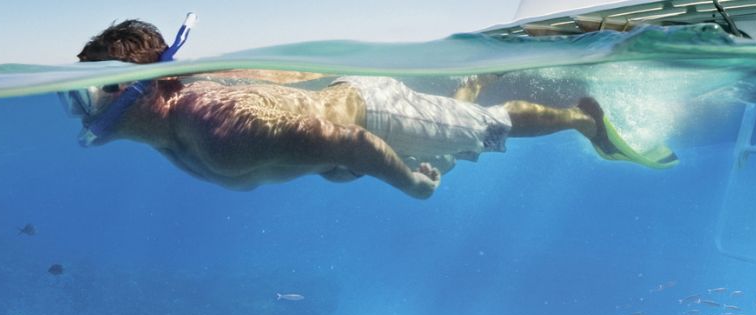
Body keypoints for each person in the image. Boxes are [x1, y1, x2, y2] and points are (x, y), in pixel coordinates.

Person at [60, 17, 674, 199]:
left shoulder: (214, 125)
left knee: (483, 131)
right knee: (452, 140)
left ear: (149, 85)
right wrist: (331, 166)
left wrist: (410, 186)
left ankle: (583, 119)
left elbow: (347, 141)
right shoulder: (169, 134)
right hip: (340, 144)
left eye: (99, 87)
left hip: (369, 115)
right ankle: (459, 92)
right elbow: (318, 151)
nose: (83, 105)